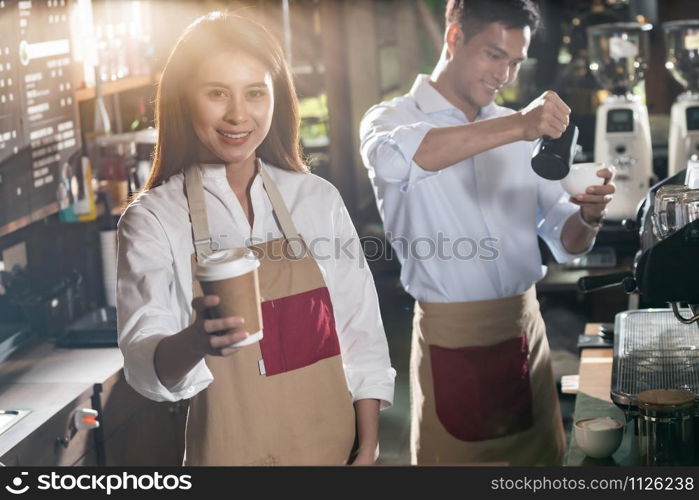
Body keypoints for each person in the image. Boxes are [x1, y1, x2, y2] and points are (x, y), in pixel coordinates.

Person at [116, 11, 395, 466]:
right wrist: (195, 341)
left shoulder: (316, 199)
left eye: (254, 92)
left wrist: (368, 447)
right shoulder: (153, 220)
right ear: (185, 100)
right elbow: (144, 367)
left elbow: (360, 333)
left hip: (332, 453)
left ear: (276, 98)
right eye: (217, 93)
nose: (237, 115)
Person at [360, 0, 614, 466]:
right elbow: (405, 159)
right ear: (454, 38)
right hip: (452, 340)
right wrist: (518, 125)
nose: (505, 75)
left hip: (524, 331)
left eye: (515, 62)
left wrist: (589, 216)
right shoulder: (389, 120)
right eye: (494, 55)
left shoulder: (523, 131)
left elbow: (565, 237)